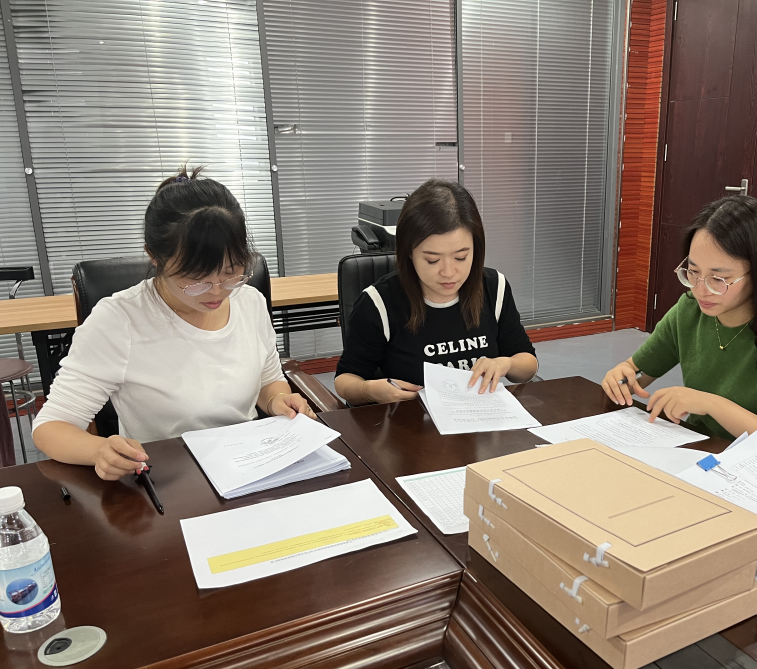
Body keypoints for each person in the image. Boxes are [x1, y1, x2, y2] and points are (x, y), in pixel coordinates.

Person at [32, 166, 315, 481]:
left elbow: (267, 380)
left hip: (248, 468)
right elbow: (51, 427)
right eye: (196, 279)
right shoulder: (119, 321)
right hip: (169, 479)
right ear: (154, 257)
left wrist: (277, 400)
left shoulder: (249, 302)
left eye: (231, 272)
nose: (217, 291)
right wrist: (99, 450)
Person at [602, 195, 757, 461]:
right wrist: (622, 377)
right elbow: (637, 373)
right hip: (705, 455)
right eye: (693, 272)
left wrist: (711, 404)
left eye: (719, 278)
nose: (701, 290)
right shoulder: (690, 310)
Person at [335, 178, 538, 404]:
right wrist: (369, 390)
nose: (449, 272)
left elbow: (528, 364)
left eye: (461, 257)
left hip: (479, 418)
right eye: (432, 260)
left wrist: (505, 363)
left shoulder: (493, 286)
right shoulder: (379, 302)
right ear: (409, 252)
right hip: (412, 420)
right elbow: (345, 379)